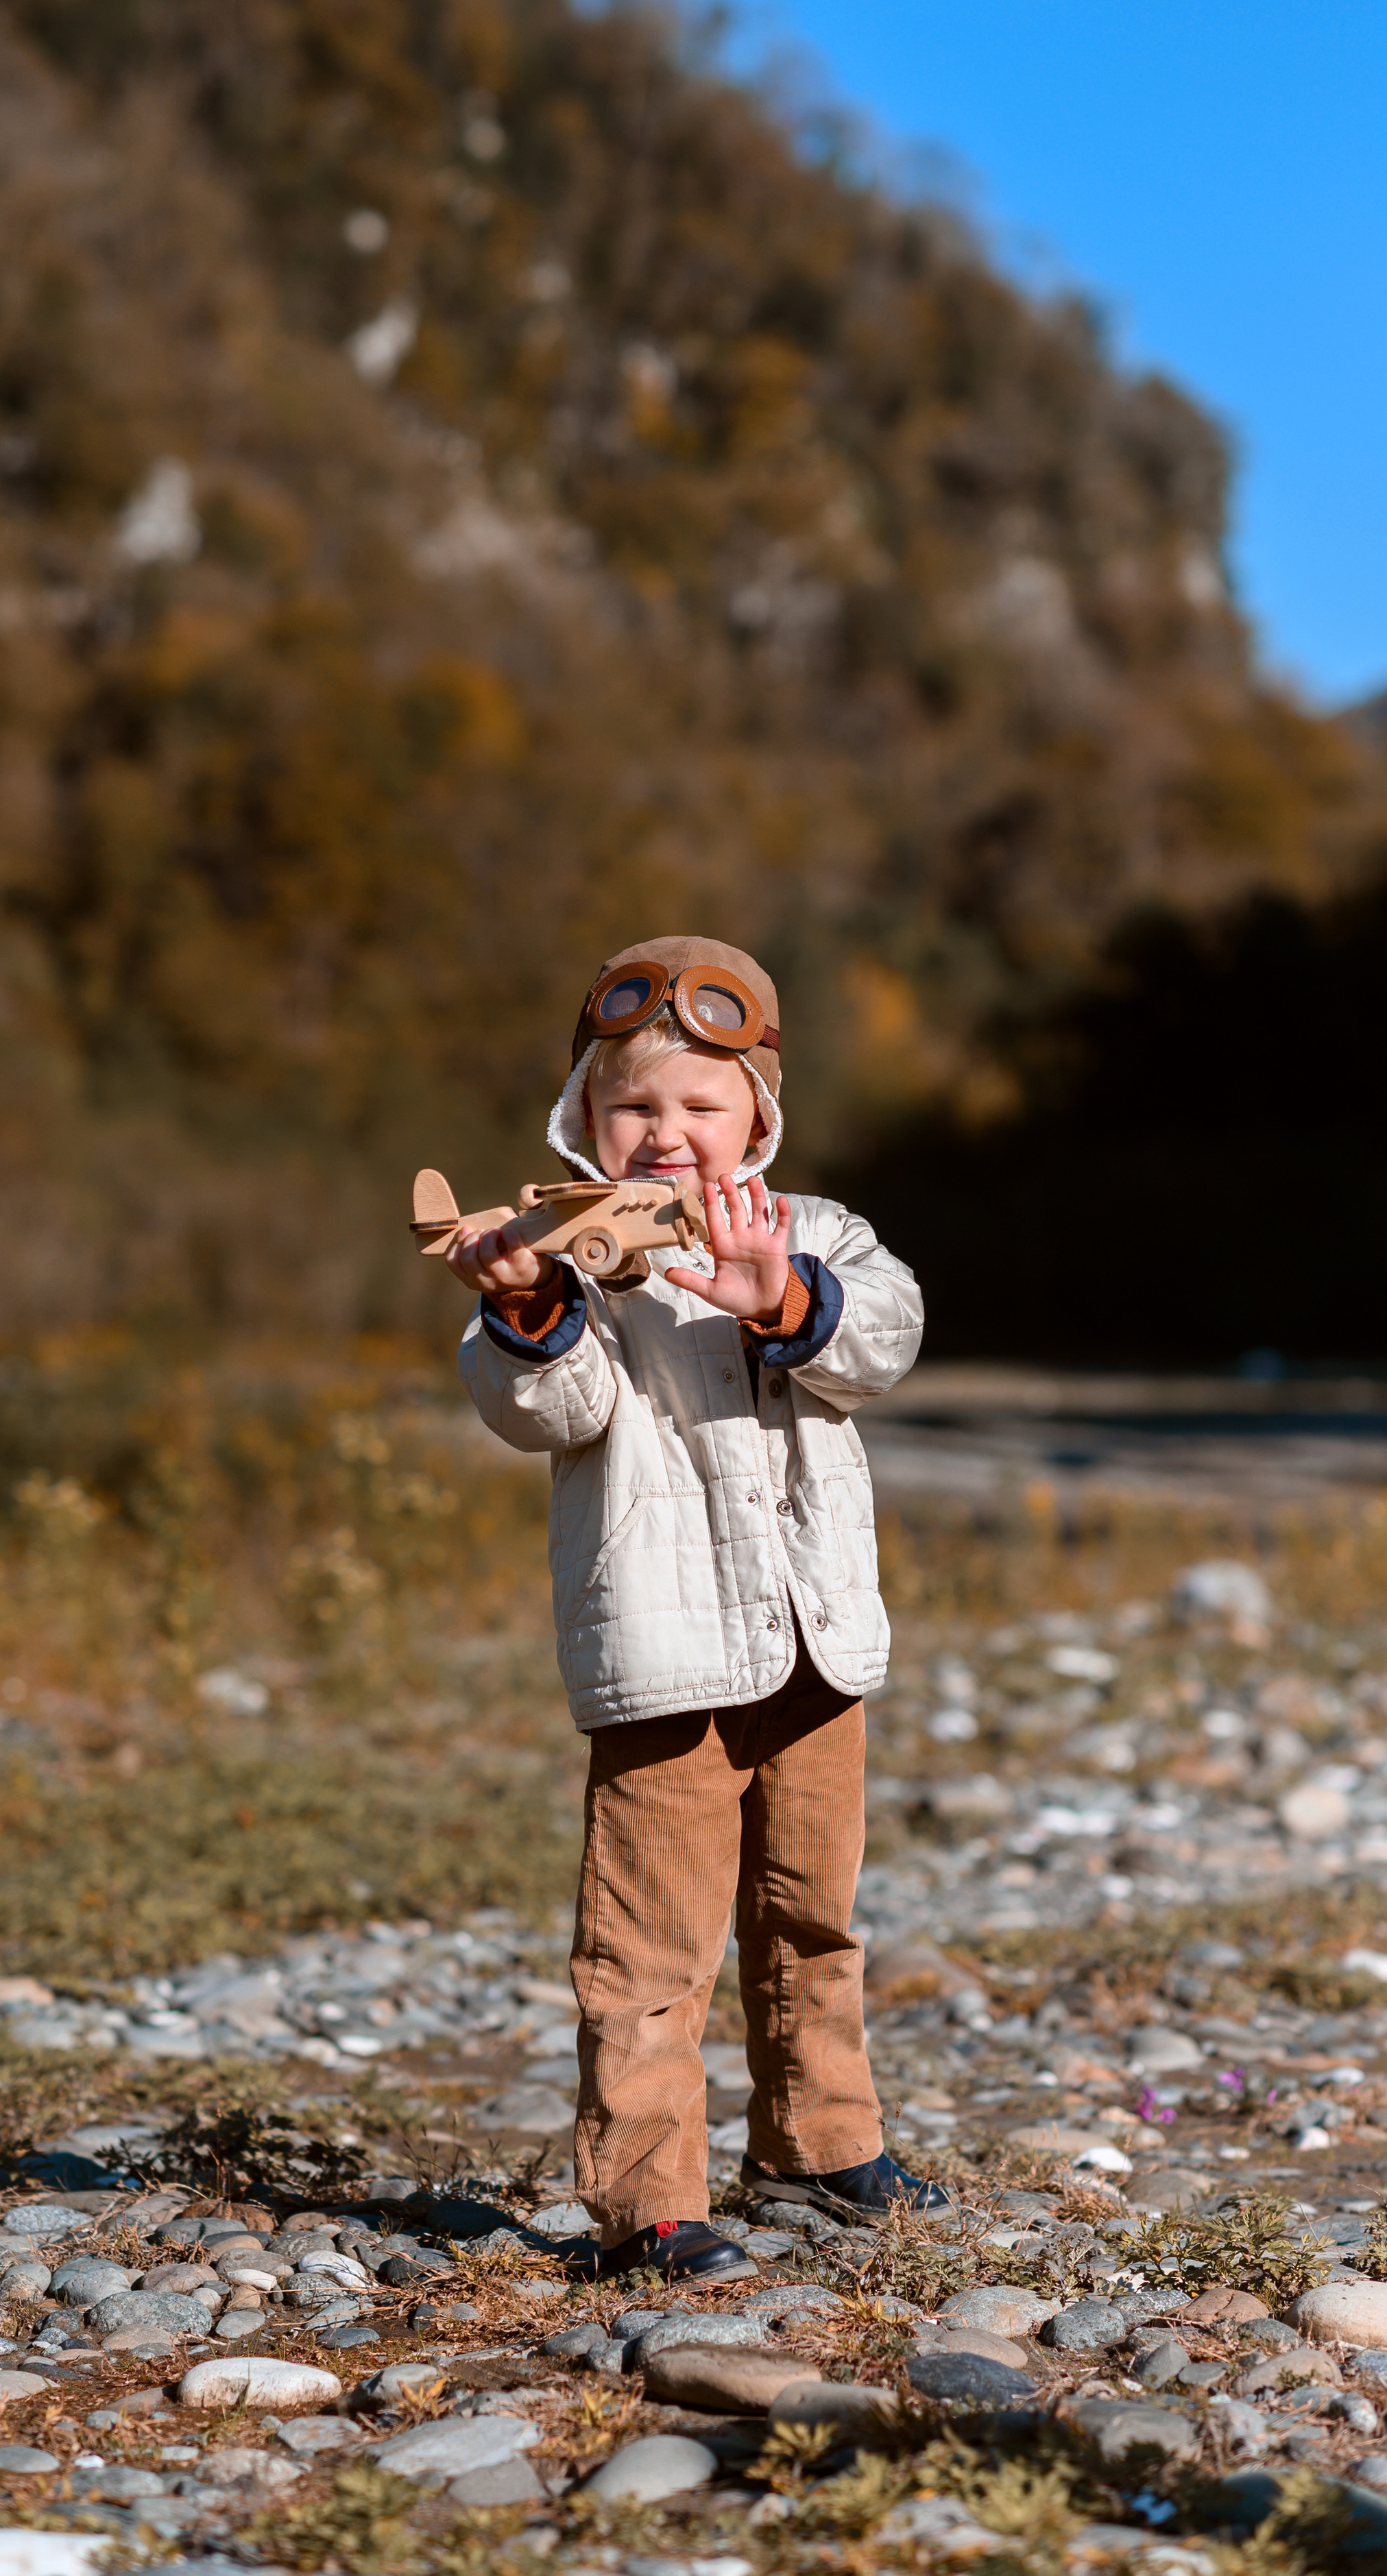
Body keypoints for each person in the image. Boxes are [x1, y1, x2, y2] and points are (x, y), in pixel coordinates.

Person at [448, 935, 942, 2283]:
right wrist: (529, 1316)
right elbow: (546, 1408)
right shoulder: (569, 1255)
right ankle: (646, 2199)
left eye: (699, 1107)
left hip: (810, 1639)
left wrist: (776, 1295)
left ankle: (821, 2135)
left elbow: (882, 1339)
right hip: (661, 1655)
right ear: (586, 1119)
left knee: (810, 1910)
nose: (666, 1133)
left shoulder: (815, 1231)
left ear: (757, 1116)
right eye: (634, 1108)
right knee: (647, 1944)